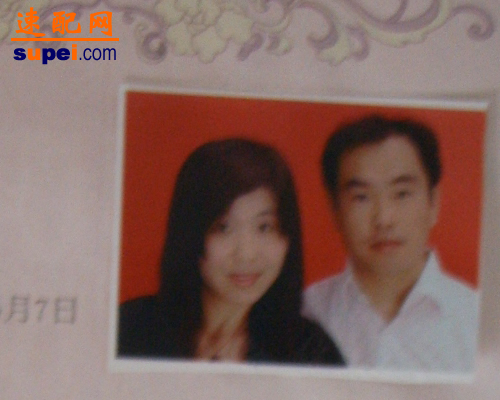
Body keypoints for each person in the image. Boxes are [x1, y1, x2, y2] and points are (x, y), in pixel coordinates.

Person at [118, 138, 344, 365]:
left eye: (264, 227)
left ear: (287, 238)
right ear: (190, 234)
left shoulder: (311, 352)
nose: (246, 254)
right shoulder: (128, 330)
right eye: (223, 228)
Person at [302, 115, 479, 372]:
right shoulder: (306, 313)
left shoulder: (479, 320)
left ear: (433, 203)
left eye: (402, 194)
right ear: (335, 211)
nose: (384, 219)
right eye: (361, 197)